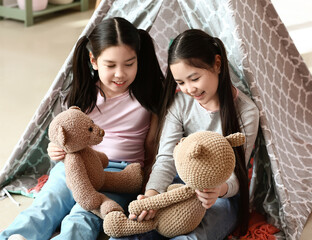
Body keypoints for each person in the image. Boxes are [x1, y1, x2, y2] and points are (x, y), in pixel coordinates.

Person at [0, 17, 164, 240]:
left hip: (119, 173)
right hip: (75, 165)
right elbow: (65, 136)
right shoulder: (83, 93)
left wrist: (148, 185)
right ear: (94, 61)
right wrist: (55, 150)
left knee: (83, 217)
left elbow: (152, 145)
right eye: (110, 65)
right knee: (47, 205)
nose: (120, 74)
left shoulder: (148, 96)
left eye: (129, 64)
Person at [111, 29, 259, 240]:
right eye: (180, 82)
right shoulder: (179, 104)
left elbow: (237, 174)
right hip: (177, 184)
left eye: (194, 78)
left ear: (217, 64)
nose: (189, 89)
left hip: (221, 197)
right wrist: (153, 195)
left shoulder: (246, 111)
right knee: (133, 229)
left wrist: (219, 189)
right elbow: (165, 159)